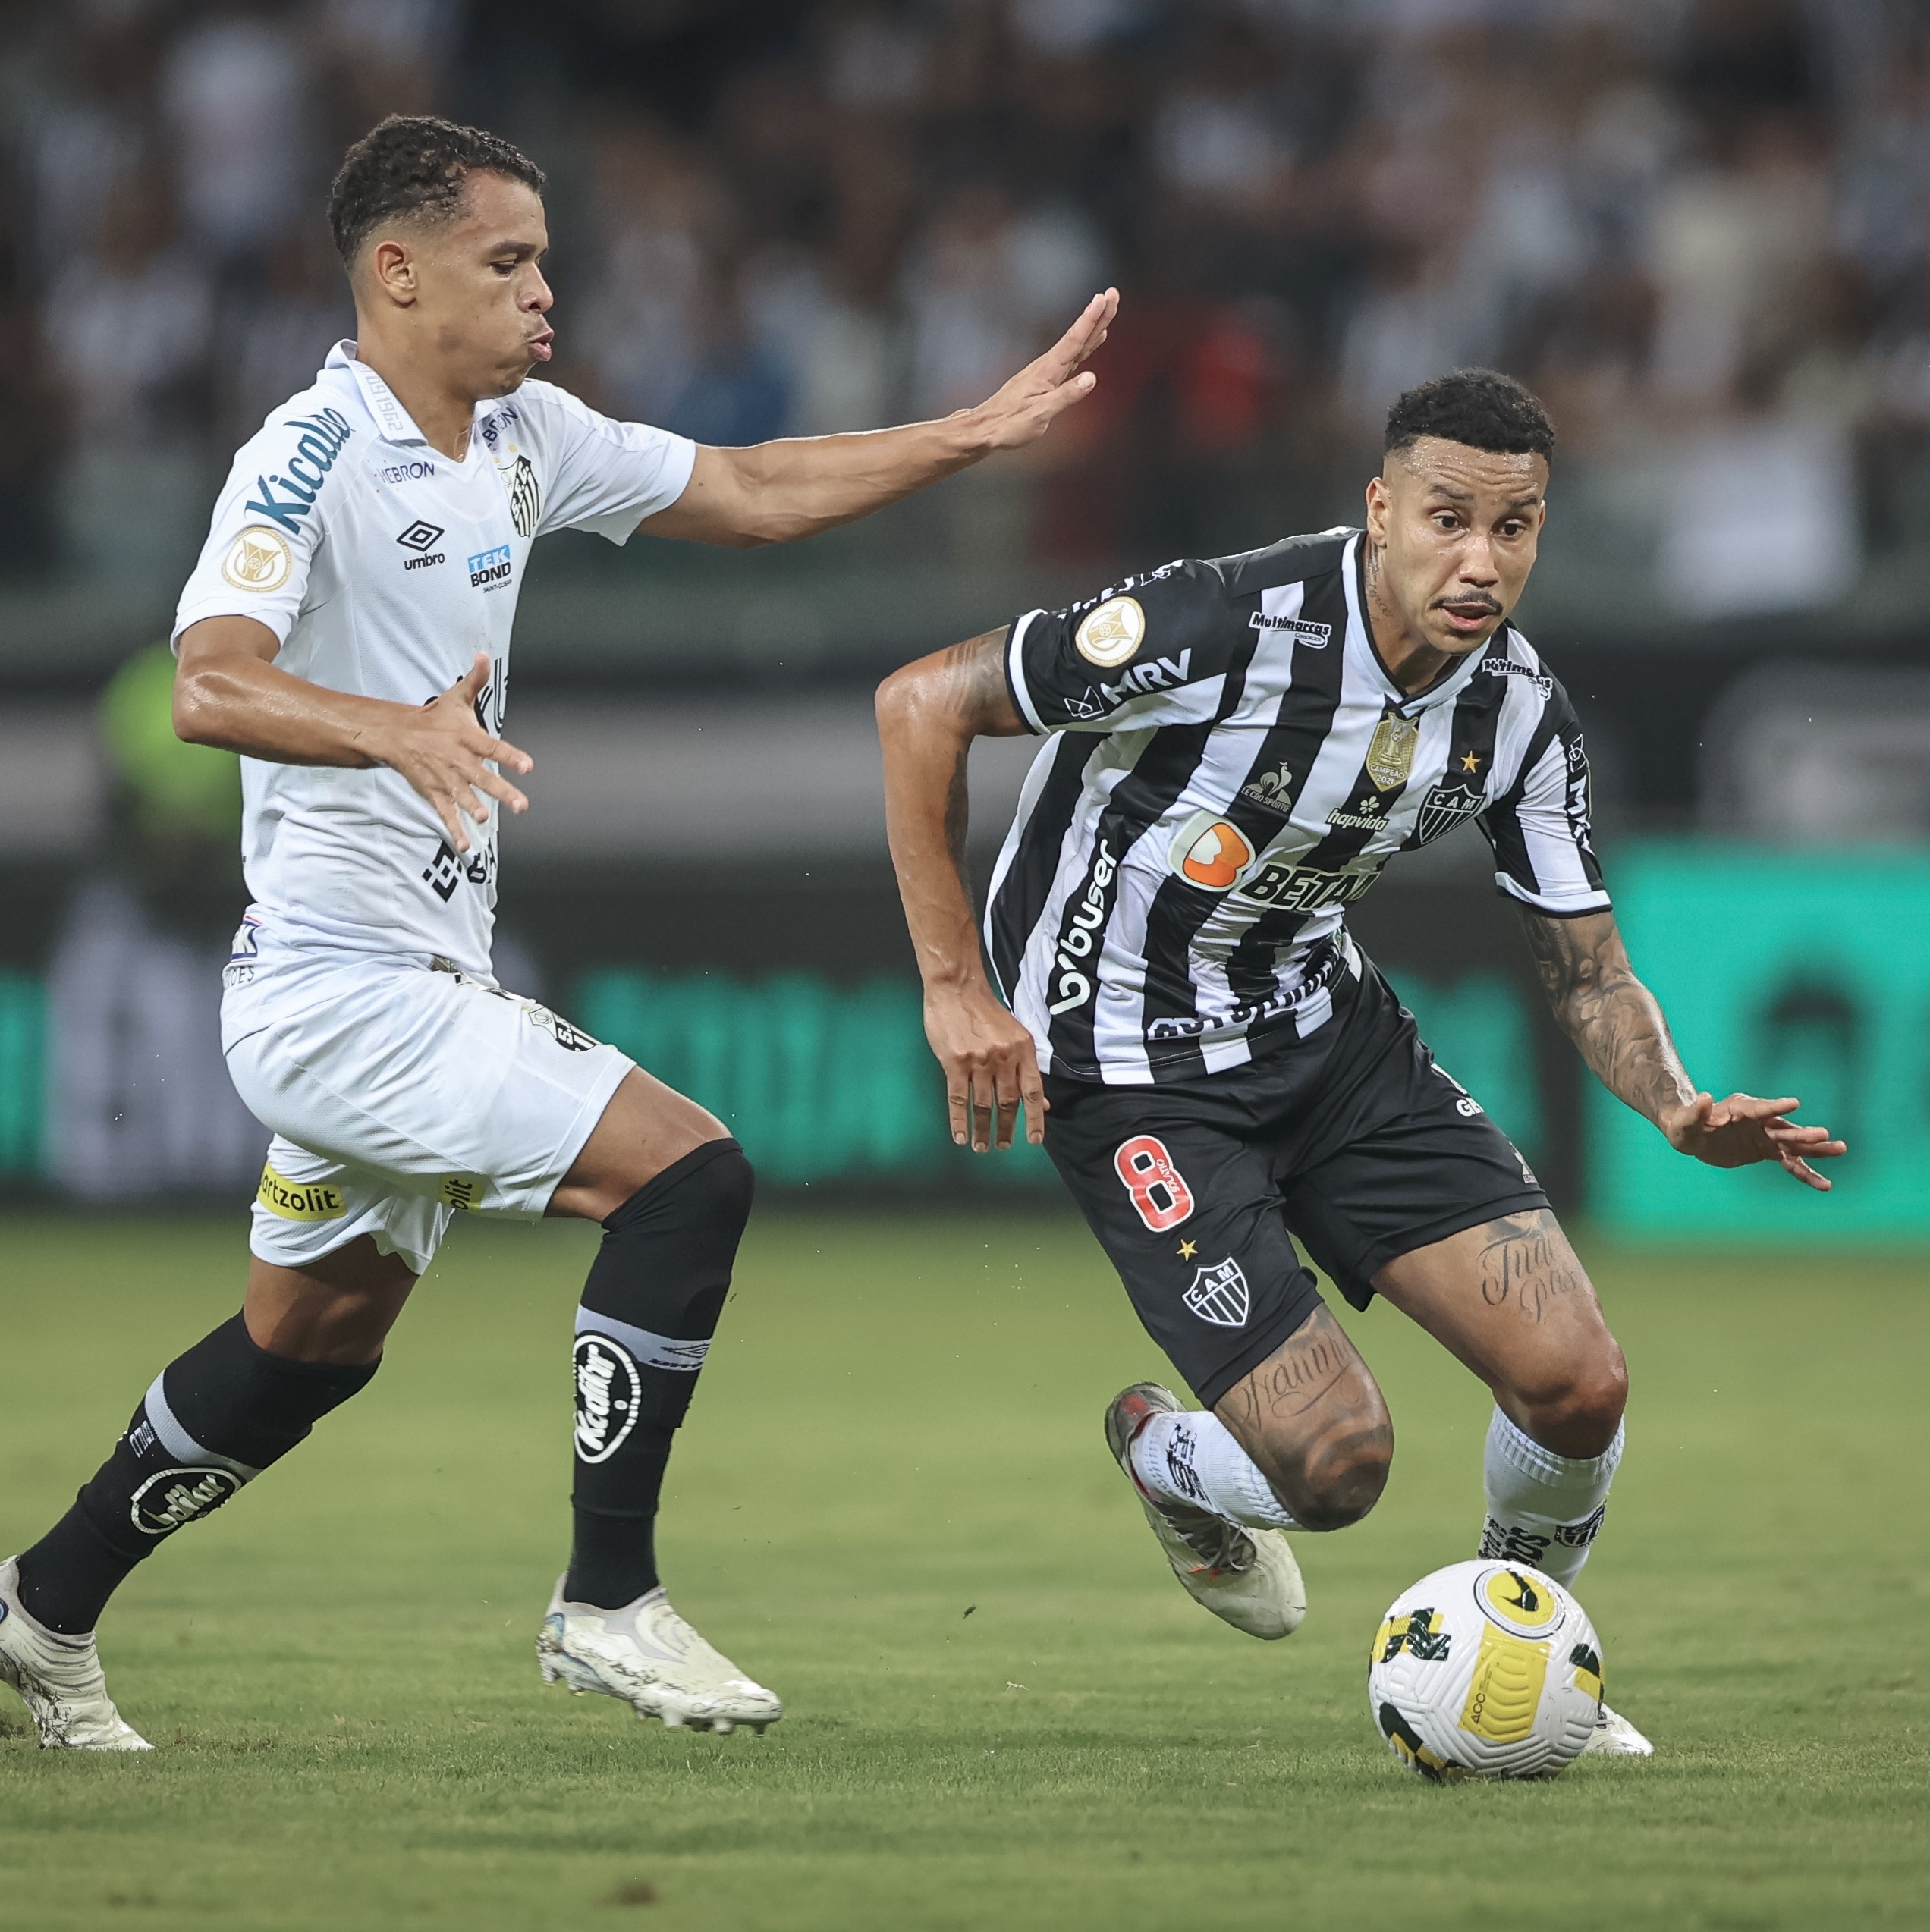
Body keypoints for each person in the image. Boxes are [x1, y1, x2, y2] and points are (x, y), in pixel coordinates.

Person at [0, 115, 1117, 1751]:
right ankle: (607, 1601)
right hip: (342, 993)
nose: (544, 291)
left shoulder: (522, 435)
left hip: (399, 984)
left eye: (545, 259)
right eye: (506, 260)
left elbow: (744, 488)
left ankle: (39, 1609)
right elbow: (205, 680)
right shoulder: (306, 454)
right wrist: (396, 728)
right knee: (689, 1172)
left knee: (307, 1344)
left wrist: (972, 431)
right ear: (397, 272)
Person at [873, 368, 1844, 1756]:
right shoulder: (1221, 620)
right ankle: (1166, 1450)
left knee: (1581, 1385)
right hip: (1126, 1064)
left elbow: (1584, 964)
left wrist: (1680, 1109)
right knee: (1337, 1472)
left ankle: (1528, 1662)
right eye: (1448, 519)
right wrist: (957, 988)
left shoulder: (1517, 714)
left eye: (1515, 529)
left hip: (1330, 1039)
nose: (1479, 560)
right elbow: (920, 705)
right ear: (1379, 510)